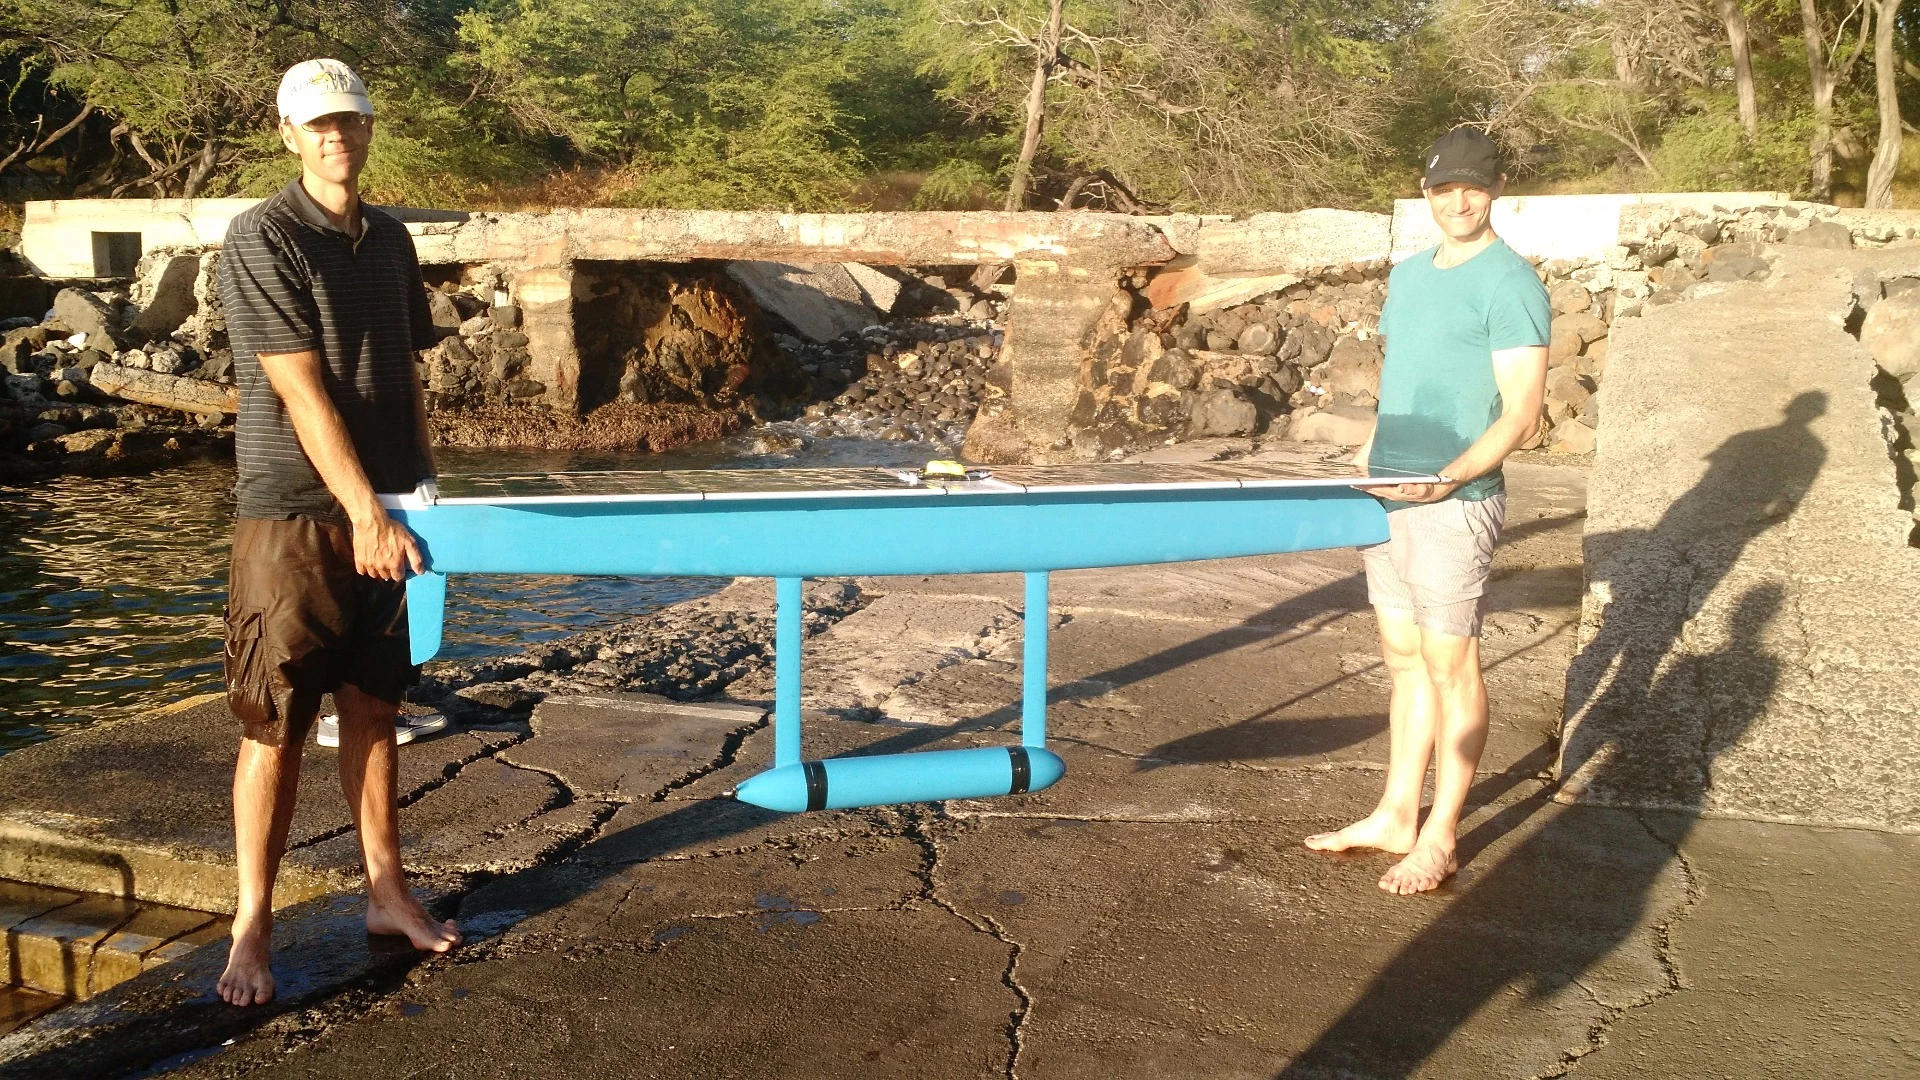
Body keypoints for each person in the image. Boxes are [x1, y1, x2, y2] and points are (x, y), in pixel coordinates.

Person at [215, 58, 461, 1006]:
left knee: (375, 705)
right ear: (290, 133)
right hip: (293, 512)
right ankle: (252, 926)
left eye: (349, 120)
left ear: (367, 128)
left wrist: (419, 491)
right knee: (273, 721)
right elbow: (298, 386)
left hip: (390, 510)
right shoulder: (262, 236)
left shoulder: (390, 240)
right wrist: (360, 510)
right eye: (317, 124)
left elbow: (402, 371)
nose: (336, 137)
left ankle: (387, 893)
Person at [1304, 126, 1551, 895]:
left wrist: (1451, 476)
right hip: (1388, 492)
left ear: (1496, 189)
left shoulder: (1512, 284)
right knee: (1404, 661)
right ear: (1427, 193)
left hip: (1456, 502)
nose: (1459, 201)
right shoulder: (1409, 277)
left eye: (1473, 187)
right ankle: (1393, 815)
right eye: (1445, 189)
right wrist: (1370, 447)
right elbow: (1403, 380)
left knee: (1451, 666)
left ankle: (1440, 835)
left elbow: (1523, 414)